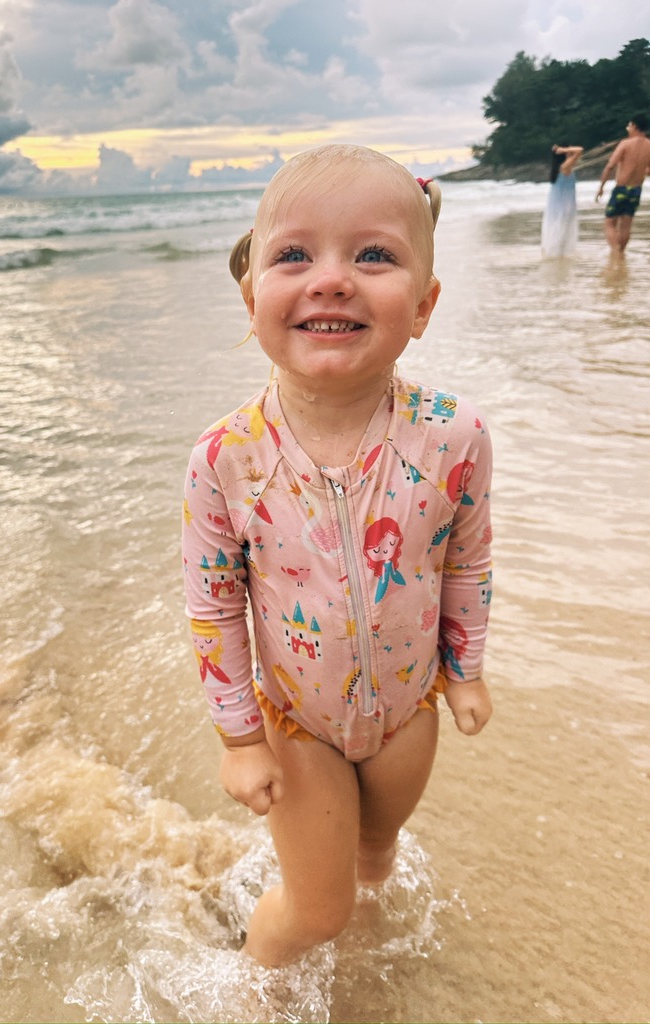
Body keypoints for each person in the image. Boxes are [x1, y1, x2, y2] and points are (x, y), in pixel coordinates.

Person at [182, 145, 493, 969]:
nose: (331, 279)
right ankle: (254, 988)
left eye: (374, 255)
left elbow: (466, 559)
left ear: (422, 306)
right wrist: (239, 736)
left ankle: (371, 948)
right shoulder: (227, 457)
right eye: (295, 254)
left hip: (408, 710)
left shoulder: (453, 436)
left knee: (378, 852)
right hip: (298, 723)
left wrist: (464, 669)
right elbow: (212, 603)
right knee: (317, 910)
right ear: (253, 300)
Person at [595, 114, 650, 255]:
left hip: (621, 188)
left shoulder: (625, 144)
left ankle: (616, 252)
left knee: (609, 223)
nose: (628, 129)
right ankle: (622, 253)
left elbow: (610, 166)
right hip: (636, 189)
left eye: (629, 126)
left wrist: (601, 188)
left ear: (635, 127)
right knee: (626, 224)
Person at [541, 143, 583, 258]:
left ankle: (557, 254)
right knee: (562, 231)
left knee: (558, 229)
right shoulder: (565, 167)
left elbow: (578, 152)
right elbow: (580, 150)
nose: (570, 151)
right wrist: (563, 149)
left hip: (558, 205)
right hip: (565, 206)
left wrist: (561, 150)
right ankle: (559, 255)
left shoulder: (559, 168)